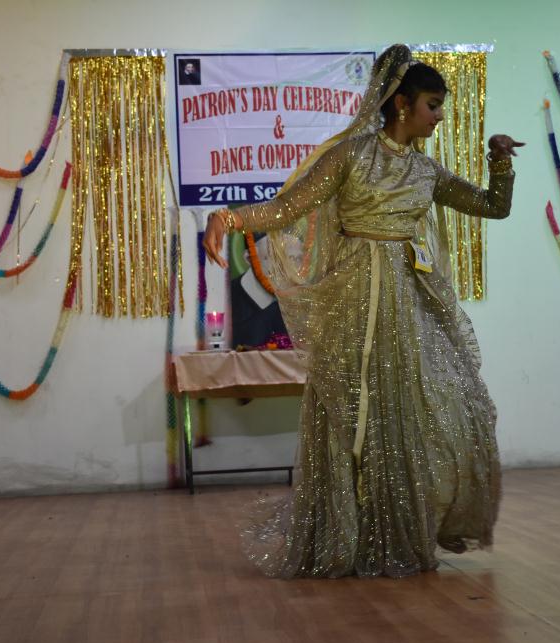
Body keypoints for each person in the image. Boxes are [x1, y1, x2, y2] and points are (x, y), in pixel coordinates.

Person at [202, 44, 523, 578]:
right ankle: (345, 536)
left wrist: (500, 160)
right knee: (352, 412)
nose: (439, 117)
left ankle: (399, 535)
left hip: (409, 302)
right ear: (401, 104)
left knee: (424, 408)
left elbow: (494, 206)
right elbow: (287, 208)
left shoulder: (426, 170)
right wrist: (228, 218)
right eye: (433, 106)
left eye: (441, 107)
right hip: (352, 301)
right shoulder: (351, 157)